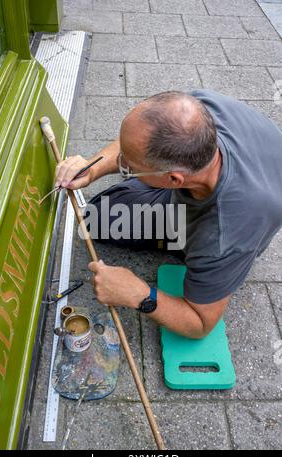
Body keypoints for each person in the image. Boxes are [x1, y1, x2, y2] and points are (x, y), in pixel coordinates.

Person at [55, 90, 282, 339]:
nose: (121, 166)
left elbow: (200, 324)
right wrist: (93, 167)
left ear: (174, 179)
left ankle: (195, 255)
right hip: (252, 180)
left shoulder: (222, 236)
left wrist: (138, 293)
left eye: (129, 167)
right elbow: (138, 138)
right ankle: (149, 173)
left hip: (240, 224)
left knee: (98, 220)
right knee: (102, 214)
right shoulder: (195, 111)